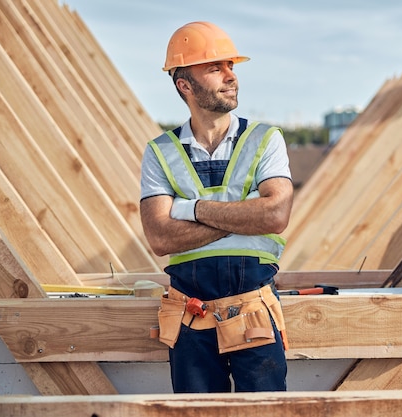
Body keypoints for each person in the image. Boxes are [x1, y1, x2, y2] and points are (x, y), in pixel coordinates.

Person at [139, 21, 293, 393]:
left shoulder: (264, 140)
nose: (230, 77)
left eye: (231, 67)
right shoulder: (161, 152)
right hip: (190, 317)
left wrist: (191, 209)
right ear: (185, 86)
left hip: (253, 310)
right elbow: (160, 237)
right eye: (215, 68)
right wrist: (245, 215)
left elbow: (275, 214)